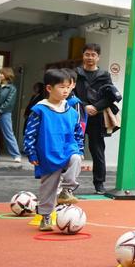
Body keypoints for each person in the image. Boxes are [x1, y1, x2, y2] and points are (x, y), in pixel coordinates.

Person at [22, 69, 83, 231]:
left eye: (69, 87)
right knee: (48, 187)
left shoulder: (71, 110)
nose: (66, 91)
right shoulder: (40, 110)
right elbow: (30, 133)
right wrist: (31, 152)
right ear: (49, 88)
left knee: (76, 159)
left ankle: (67, 189)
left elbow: (78, 132)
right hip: (48, 153)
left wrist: (80, 149)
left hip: (68, 148)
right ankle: (46, 216)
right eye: (62, 87)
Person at [75, 43, 114, 194]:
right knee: (71, 149)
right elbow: (71, 94)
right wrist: (85, 106)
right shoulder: (75, 73)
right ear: (83, 56)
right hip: (77, 116)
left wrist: (96, 108)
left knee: (97, 150)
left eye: (93, 55)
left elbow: (110, 96)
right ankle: (67, 184)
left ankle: (99, 184)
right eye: (87, 54)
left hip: (97, 117)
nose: (90, 57)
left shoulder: (104, 75)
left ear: (98, 57)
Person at [0, 67, 21, 163]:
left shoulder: (12, 88)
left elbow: (9, 102)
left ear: (7, 75)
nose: (0, 75)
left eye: (2, 73)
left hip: (5, 113)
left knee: (8, 133)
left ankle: (16, 155)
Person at [62, 68, 87, 133]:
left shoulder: (75, 102)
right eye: (62, 83)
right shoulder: (55, 101)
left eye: (69, 83)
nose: (65, 86)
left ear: (73, 85)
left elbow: (81, 125)